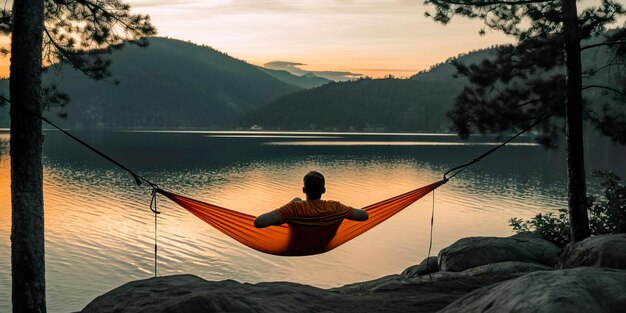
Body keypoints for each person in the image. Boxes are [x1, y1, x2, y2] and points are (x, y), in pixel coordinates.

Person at [254, 171, 368, 228]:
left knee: (297, 199)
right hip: (322, 245)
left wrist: (292, 205)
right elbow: (364, 215)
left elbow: (259, 222)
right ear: (324, 191)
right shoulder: (336, 207)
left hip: (296, 247)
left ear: (304, 190)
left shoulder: (294, 209)